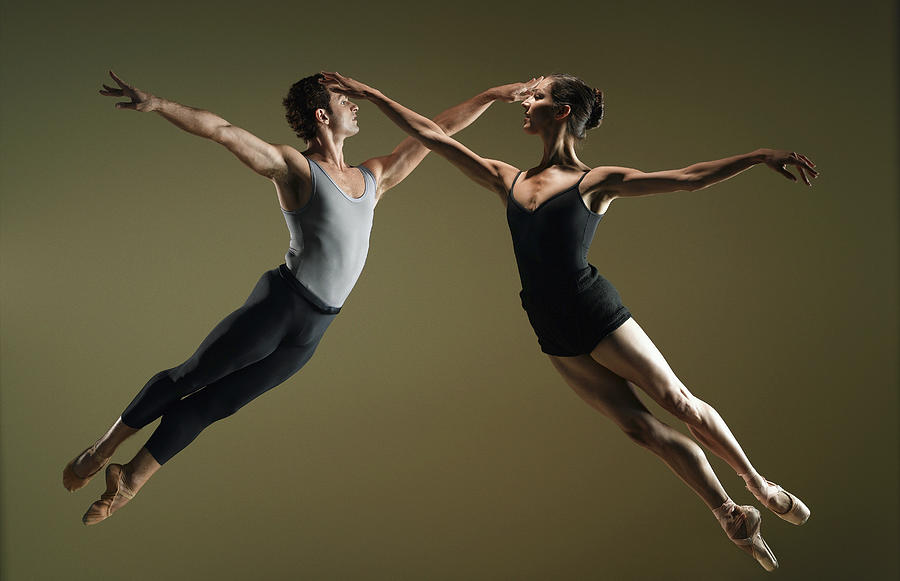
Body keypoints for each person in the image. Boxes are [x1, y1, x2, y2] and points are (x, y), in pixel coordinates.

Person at [320, 71, 818, 571]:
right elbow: (431, 135)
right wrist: (377, 96)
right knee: (641, 430)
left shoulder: (594, 182)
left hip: (593, 311)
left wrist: (756, 157)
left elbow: (687, 178)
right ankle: (731, 514)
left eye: (537, 96)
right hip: (550, 328)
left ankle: (757, 482)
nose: (526, 101)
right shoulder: (505, 177)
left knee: (676, 400)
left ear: (561, 112)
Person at [63, 71, 541, 526]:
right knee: (190, 377)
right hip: (279, 307)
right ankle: (101, 451)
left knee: (217, 405)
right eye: (342, 99)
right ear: (321, 115)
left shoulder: (373, 177)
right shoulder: (296, 168)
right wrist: (158, 104)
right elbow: (224, 131)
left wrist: (490, 97)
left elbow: (434, 133)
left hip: (313, 331)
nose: (354, 104)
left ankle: (128, 480)